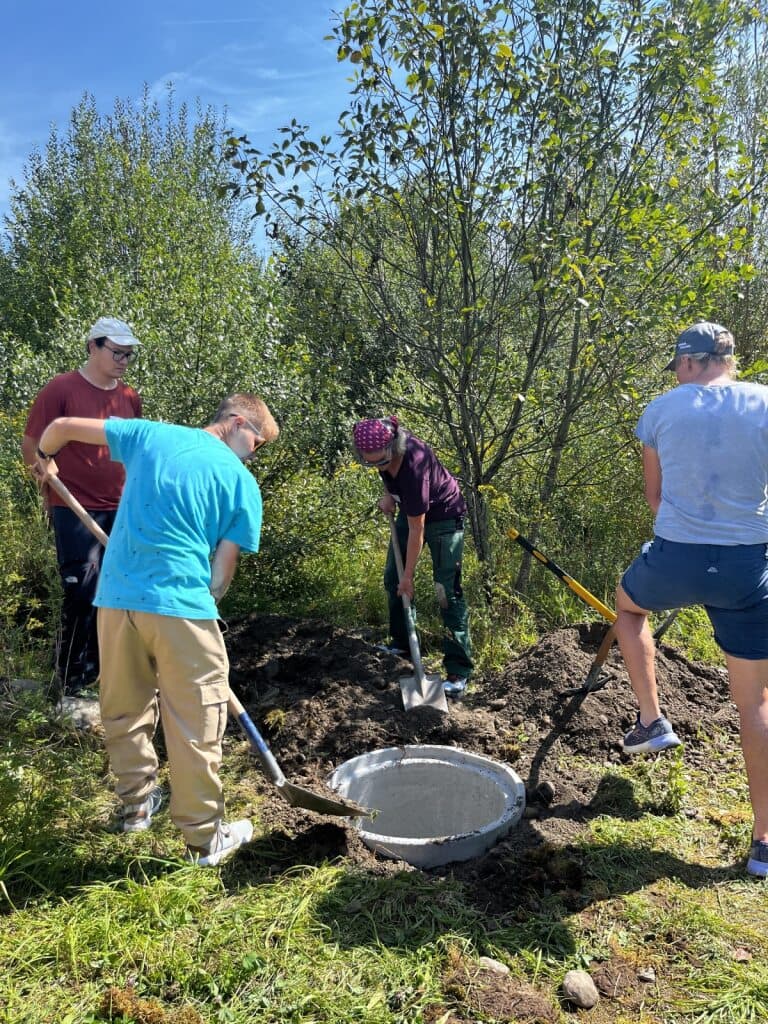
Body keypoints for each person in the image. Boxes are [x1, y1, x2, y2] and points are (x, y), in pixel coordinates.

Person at [32, 393, 279, 866]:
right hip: (183, 609)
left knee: (124, 710)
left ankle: (135, 809)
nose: (255, 452)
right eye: (257, 441)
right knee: (195, 722)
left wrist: (45, 460)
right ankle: (205, 840)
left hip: (116, 602)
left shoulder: (150, 435)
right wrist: (198, 605)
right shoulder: (242, 484)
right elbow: (220, 577)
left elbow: (60, 426)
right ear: (237, 421)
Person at [614, 321, 768, 879]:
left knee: (629, 607)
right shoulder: (765, 404)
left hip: (676, 556)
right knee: (755, 707)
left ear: (687, 362)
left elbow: (656, 499)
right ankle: (764, 843)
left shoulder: (660, 410)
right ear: (728, 359)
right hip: (747, 567)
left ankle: (652, 720)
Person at [22, 316, 143, 697]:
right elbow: (32, 446)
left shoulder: (128, 398)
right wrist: (44, 476)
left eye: (129, 354)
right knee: (82, 590)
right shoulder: (61, 388)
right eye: (117, 352)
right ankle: (69, 684)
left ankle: (101, 677)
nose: (124, 360)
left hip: (120, 507)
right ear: (93, 347)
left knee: (116, 593)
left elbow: (134, 451)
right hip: (73, 505)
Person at [353, 415, 473, 697]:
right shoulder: (379, 450)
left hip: (443, 517)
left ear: (392, 447)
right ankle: (403, 644)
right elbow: (387, 474)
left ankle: (458, 672)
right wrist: (388, 494)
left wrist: (410, 577)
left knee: (446, 590)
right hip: (411, 510)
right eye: (370, 462)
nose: (376, 465)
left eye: (380, 460)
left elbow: (418, 526)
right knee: (392, 577)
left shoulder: (414, 465)